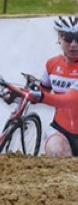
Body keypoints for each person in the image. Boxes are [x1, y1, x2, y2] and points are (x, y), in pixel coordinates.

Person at [32, 15, 78, 157]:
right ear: (59, 38)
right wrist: (19, 95)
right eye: (68, 38)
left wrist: (42, 97)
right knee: (57, 151)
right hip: (61, 129)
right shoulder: (51, 64)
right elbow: (40, 92)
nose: (74, 44)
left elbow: (69, 100)